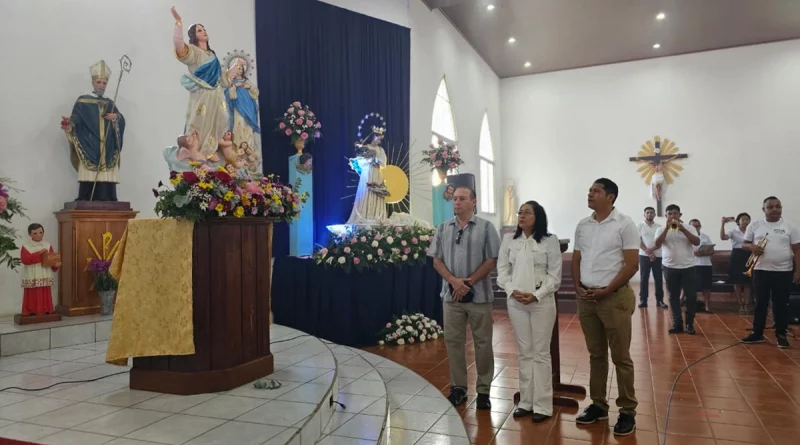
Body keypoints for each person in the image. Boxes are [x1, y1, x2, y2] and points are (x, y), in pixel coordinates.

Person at [572, 178, 639, 436]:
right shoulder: (583, 225)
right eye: (589, 190)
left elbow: (632, 265)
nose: (590, 193)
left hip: (613, 298)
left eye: (596, 191)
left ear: (610, 197)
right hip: (587, 298)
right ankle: (598, 404)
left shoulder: (625, 224)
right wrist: (578, 287)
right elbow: (577, 258)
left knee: (621, 357)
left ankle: (627, 411)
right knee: (596, 354)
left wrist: (607, 290)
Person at [429, 186, 500, 410]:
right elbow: (436, 260)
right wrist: (454, 281)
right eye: (454, 199)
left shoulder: (487, 228)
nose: (456, 203)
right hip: (451, 297)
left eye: (462, 199)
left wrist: (468, 282)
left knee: (483, 344)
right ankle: (458, 387)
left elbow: (492, 259)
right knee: (453, 343)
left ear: (474, 202)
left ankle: (484, 390)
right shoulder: (443, 228)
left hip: (479, 296)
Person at [497, 201, 561, 422]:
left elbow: (554, 276)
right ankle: (526, 401)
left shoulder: (549, 241)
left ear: (538, 217)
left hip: (541, 302)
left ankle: (543, 405)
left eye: (527, 212)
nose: (522, 216)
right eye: (520, 212)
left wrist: (536, 294)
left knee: (541, 353)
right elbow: (502, 272)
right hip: (516, 302)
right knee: (525, 352)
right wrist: (512, 291)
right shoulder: (509, 240)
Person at [171, 7, 235, 161]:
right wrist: (178, 22)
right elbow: (179, 44)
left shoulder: (212, 55)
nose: (204, 32)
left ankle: (211, 148)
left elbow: (223, 79)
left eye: (204, 29)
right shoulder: (193, 52)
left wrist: (234, 68)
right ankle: (197, 149)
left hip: (217, 93)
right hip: (202, 93)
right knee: (200, 120)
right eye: (200, 30)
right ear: (194, 36)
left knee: (221, 118)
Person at [61, 60, 126, 202]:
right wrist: (69, 125)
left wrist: (116, 117)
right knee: (89, 172)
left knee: (107, 170)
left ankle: (108, 196)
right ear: (93, 83)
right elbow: (75, 119)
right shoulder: (83, 101)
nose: (101, 85)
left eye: (104, 83)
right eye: (99, 82)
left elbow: (121, 120)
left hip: (106, 145)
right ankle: (85, 197)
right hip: (90, 143)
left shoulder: (110, 102)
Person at [741, 197, 800, 349]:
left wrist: (798, 271)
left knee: (781, 304)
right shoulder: (755, 225)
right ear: (764, 210)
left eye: (778, 206)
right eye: (771, 207)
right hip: (760, 270)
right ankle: (757, 333)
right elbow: (744, 243)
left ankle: (781, 335)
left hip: (783, 271)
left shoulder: (790, 226)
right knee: (760, 303)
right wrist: (752, 247)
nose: (775, 209)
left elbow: (797, 250)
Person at [654, 205, 701, 335]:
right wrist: (666, 229)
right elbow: (657, 244)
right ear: (666, 216)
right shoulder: (661, 229)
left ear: (680, 215)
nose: (673, 216)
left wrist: (683, 230)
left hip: (688, 267)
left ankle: (690, 324)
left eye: (675, 213)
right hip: (669, 267)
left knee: (691, 296)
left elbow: (697, 242)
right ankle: (677, 323)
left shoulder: (690, 227)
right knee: (673, 296)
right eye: (670, 214)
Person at [225, 57, 262, 173]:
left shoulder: (247, 82)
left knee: (248, 131)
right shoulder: (231, 83)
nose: (239, 70)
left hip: (249, 111)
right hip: (238, 111)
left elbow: (255, 95)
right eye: (237, 68)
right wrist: (235, 87)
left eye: (241, 68)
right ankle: (238, 157)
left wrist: (249, 87)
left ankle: (249, 154)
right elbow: (230, 96)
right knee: (239, 128)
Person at [347, 127, 389, 225]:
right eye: (377, 138)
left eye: (380, 139)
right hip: (367, 173)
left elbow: (384, 163)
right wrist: (369, 158)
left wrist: (375, 159)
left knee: (377, 193)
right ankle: (364, 216)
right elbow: (360, 161)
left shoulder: (380, 150)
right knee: (366, 193)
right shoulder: (365, 148)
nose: (378, 141)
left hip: (377, 174)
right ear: (373, 137)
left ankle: (376, 216)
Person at [20, 224, 60, 316]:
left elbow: (51, 259)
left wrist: (56, 265)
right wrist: (39, 253)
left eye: (40, 232)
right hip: (32, 273)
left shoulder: (47, 245)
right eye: (35, 233)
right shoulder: (26, 246)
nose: (38, 235)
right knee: (32, 292)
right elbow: (25, 260)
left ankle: (46, 309)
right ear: (30, 234)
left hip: (44, 272)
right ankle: (31, 310)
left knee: (44, 291)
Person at [721, 213, 753, 314]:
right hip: (737, 256)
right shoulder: (733, 231)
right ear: (738, 221)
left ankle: (747, 305)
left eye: (747, 219)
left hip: (749, 255)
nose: (746, 221)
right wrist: (722, 224)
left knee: (748, 282)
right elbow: (723, 237)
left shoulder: (751, 231)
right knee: (737, 282)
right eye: (743, 219)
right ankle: (740, 305)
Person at [637, 207, 666, 309]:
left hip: (658, 255)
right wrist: (648, 252)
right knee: (644, 278)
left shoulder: (659, 227)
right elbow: (638, 240)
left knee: (658, 278)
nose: (649, 214)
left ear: (654, 214)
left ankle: (660, 300)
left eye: (651, 213)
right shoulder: (639, 226)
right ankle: (643, 300)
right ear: (644, 214)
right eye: (647, 213)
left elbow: (661, 241)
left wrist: (653, 251)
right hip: (644, 255)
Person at [690, 219, 715, 312]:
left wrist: (703, 253)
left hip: (706, 264)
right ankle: (692, 305)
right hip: (693, 265)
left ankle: (707, 306)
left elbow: (712, 251)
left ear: (700, 226)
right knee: (693, 287)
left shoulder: (705, 237)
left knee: (707, 286)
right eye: (693, 226)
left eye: (697, 226)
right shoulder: (687, 237)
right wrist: (696, 252)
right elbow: (688, 251)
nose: (696, 228)